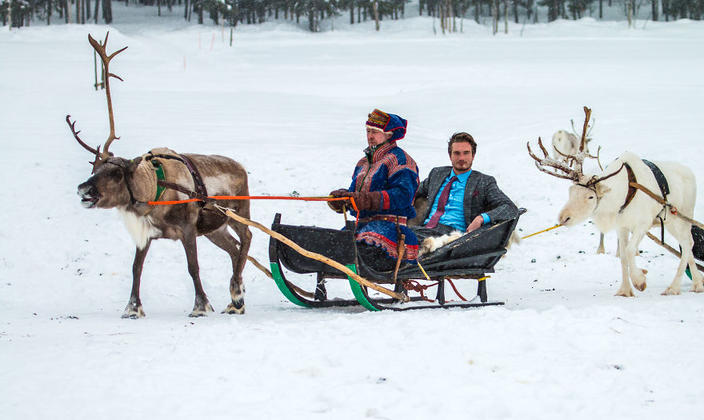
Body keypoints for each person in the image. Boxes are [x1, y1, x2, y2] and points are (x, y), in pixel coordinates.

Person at [328, 109, 420, 271]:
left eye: (376, 132)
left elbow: (403, 196)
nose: (370, 136)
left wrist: (367, 200)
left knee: (360, 247)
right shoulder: (363, 163)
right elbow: (355, 195)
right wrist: (343, 200)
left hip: (392, 228)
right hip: (363, 226)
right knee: (332, 245)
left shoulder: (400, 160)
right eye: (368, 131)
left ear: (389, 135)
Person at [412, 132, 517, 243]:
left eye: (466, 153)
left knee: (404, 243)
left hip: (452, 238)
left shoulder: (484, 182)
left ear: (473, 155)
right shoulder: (437, 174)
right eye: (457, 153)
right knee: (396, 234)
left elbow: (510, 208)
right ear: (450, 155)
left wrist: (481, 218)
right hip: (424, 230)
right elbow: (414, 192)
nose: (461, 158)